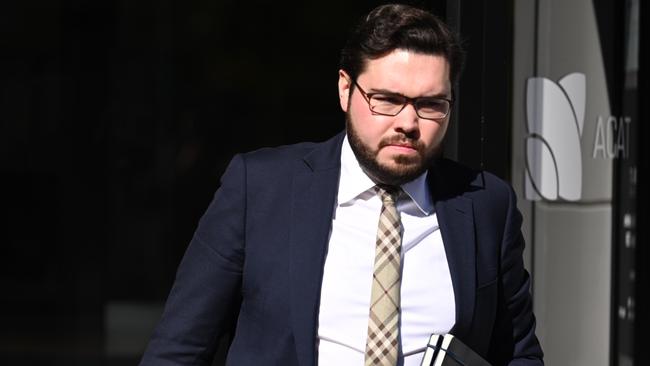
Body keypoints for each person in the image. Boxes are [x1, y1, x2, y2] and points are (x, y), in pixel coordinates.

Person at [140, 4, 543, 366]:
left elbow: (518, 354)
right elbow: (179, 349)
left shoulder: (485, 204)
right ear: (345, 89)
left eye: (430, 104)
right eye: (386, 99)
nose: (407, 122)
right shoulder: (261, 189)